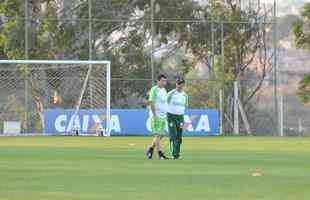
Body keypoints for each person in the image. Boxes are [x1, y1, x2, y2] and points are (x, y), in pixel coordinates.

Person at [145, 74, 170, 160]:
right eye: (162, 81)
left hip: (163, 116)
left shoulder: (164, 90)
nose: (164, 82)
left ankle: (150, 148)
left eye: (165, 81)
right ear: (158, 81)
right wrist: (154, 115)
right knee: (158, 134)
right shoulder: (154, 89)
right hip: (156, 116)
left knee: (161, 135)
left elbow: (164, 102)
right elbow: (151, 102)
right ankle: (160, 154)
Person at [167, 77, 188, 159]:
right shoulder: (171, 93)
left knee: (179, 136)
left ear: (184, 85)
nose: (180, 86)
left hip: (180, 117)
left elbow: (185, 106)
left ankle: (177, 154)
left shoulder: (185, 95)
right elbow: (165, 104)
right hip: (171, 116)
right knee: (173, 135)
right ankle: (174, 154)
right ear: (176, 84)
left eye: (182, 84)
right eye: (178, 84)